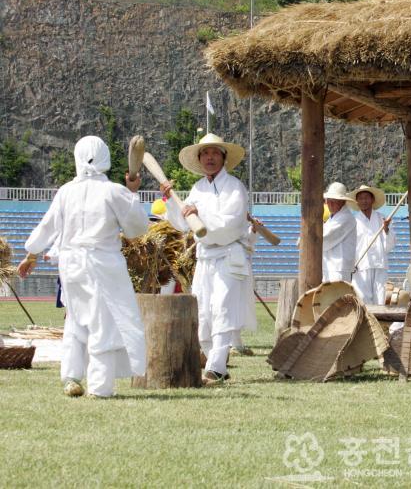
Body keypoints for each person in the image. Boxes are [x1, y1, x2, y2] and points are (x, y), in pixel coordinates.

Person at [17, 136, 149, 398]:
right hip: (103, 265)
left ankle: (71, 375)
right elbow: (137, 228)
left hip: (71, 265)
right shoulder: (114, 191)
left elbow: (47, 227)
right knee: (103, 323)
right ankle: (100, 386)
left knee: (76, 320)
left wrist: (31, 255)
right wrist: (132, 192)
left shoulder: (66, 191)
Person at [161, 133, 256, 386]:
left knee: (223, 307)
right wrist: (172, 201)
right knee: (203, 311)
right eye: (205, 153)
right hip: (205, 258)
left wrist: (201, 213)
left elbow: (231, 222)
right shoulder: (197, 189)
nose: (210, 157)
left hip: (228, 256)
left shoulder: (235, 187)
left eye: (214, 153)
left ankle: (216, 366)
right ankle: (213, 361)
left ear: (223, 157)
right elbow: (183, 223)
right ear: (199, 159)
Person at [349, 185, 395, 305]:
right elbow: (350, 245)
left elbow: (390, 244)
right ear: (357, 202)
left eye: (366, 198)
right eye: (361, 198)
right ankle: (367, 323)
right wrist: (351, 262)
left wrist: (386, 229)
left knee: (381, 297)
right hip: (360, 265)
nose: (364, 201)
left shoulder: (383, 219)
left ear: (372, 200)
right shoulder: (353, 221)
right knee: (362, 297)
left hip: (379, 263)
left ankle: (380, 323)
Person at [322, 182, 357, 282]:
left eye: (334, 201)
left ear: (342, 202)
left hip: (339, 269)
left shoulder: (346, 218)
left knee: (337, 297)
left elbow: (325, 238)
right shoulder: (332, 218)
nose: (330, 204)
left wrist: (307, 240)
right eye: (329, 201)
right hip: (329, 266)